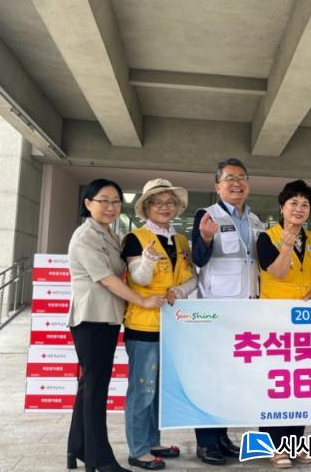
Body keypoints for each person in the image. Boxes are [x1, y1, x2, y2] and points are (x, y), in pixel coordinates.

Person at [66, 179, 165, 472]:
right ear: (88, 203)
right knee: (95, 390)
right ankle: (99, 459)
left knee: (90, 386)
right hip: (92, 319)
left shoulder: (109, 234)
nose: (110, 207)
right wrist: (142, 301)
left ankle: (77, 447)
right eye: (103, 200)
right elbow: (108, 279)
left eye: (116, 201)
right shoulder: (86, 236)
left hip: (107, 318)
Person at [190, 158, 265, 466]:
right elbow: (198, 259)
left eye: (242, 177)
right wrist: (206, 238)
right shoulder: (207, 215)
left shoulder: (255, 220)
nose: (237, 183)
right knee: (211, 378)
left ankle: (222, 437)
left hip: (246, 310)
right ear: (217, 185)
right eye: (230, 178)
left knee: (230, 379)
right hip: (216, 309)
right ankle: (206, 443)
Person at [121, 179, 198, 470]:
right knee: (142, 390)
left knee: (157, 391)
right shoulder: (135, 238)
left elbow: (192, 278)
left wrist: (179, 291)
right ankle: (138, 450)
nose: (165, 207)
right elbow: (139, 279)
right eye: (158, 202)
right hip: (144, 326)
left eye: (170, 203)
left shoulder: (181, 241)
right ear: (145, 207)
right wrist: (148, 260)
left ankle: (153, 442)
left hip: (173, 326)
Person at [256, 180, 311, 468]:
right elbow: (278, 273)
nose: (299, 208)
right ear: (282, 207)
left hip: (305, 325)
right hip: (275, 323)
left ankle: (295, 443)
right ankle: (273, 446)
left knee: (302, 384)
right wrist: (286, 246)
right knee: (277, 384)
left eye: (305, 204)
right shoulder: (266, 237)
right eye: (293, 203)